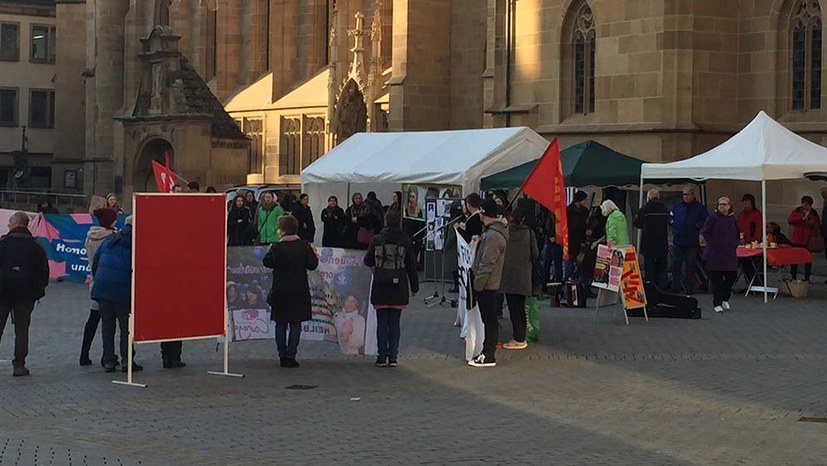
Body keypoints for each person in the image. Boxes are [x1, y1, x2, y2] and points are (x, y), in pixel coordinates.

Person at [364, 210, 419, 367]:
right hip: (399, 287)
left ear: (385, 221)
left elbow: (368, 261)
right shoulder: (405, 241)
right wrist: (414, 287)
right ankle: (393, 357)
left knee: (382, 323)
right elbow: (412, 266)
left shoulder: (376, 240)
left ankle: (381, 357)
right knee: (395, 322)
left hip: (380, 285)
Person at [263, 215, 319, 368]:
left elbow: (267, 262)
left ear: (282, 230)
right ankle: (291, 355)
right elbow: (312, 265)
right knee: (295, 324)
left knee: (280, 324)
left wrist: (269, 250)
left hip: (280, 290)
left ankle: (282, 355)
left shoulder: (276, 247)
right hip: (299, 290)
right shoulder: (304, 246)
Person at [0, 212, 49, 377]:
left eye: (10, 222)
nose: (8, 225)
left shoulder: (3, 243)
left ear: (15, 223)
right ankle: (19, 364)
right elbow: (44, 272)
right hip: (26, 294)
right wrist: (37, 289)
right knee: (22, 329)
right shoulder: (36, 245)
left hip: (3, 291)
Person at [92, 217, 143, 373]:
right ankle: (127, 361)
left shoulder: (110, 239)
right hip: (121, 289)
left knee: (107, 326)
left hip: (102, 287)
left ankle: (108, 360)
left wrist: (99, 280)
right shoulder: (135, 243)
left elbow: (96, 261)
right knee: (126, 327)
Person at [469, 198, 508, 368]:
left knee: (490, 320)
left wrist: (478, 283)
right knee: (488, 319)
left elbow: (487, 263)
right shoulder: (490, 233)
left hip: (487, 284)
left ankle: (489, 354)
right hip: (487, 283)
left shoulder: (493, 236)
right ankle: (486, 351)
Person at [80, 208, 118, 367]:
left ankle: (84, 353)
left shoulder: (90, 236)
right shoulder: (110, 238)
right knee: (109, 321)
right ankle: (106, 355)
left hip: (96, 282)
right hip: (109, 283)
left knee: (93, 319)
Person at [500, 209, 539, 351]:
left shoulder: (506, 231)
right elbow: (535, 254)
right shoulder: (529, 233)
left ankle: (519, 338)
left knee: (513, 307)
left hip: (508, 274)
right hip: (524, 275)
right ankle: (520, 336)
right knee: (520, 307)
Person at [702, 197, 740, 313]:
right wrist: (712, 243)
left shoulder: (732, 219)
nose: (721, 207)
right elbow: (705, 231)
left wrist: (735, 243)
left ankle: (725, 298)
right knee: (716, 280)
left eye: (724, 204)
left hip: (729, 254)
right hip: (715, 254)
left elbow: (738, 233)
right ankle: (717, 303)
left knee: (732, 276)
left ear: (729, 206)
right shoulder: (713, 218)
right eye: (719, 204)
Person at [669, 187, 708, 294]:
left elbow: (706, 219)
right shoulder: (677, 206)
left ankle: (689, 288)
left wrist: (697, 226)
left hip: (692, 241)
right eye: (684, 195)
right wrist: (673, 222)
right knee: (676, 264)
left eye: (687, 194)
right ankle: (675, 286)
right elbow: (670, 216)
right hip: (678, 240)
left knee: (690, 266)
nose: (685, 197)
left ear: (693, 195)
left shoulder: (699, 207)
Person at [634, 188, 669, 290]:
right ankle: (662, 288)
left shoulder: (645, 209)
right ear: (658, 197)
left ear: (649, 197)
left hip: (648, 242)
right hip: (662, 242)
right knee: (662, 267)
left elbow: (638, 224)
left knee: (649, 268)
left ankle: (651, 289)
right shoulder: (664, 208)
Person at [788, 195, 821, 281]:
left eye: (808, 204)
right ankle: (793, 276)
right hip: (797, 238)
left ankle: (807, 277)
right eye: (804, 203)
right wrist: (802, 218)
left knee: (807, 259)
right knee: (794, 259)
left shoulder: (813, 213)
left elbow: (817, 225)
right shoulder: (797, 211)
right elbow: (790, 220)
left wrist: (809, 220)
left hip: (807, 239)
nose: (806, 206)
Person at [566, 191, 590, 280]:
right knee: (568, 267)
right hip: (570, 243)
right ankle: (567, 286)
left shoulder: (585, 211)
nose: (586, 201)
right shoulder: (568, 211)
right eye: (585, 200)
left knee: (583, 267)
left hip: (581, 244)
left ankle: (582, 287)